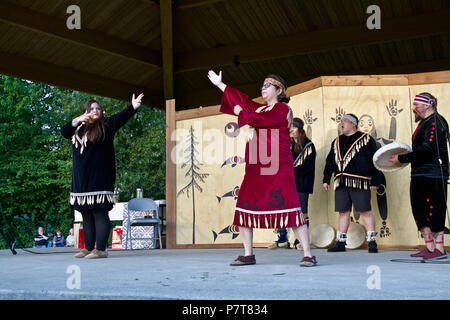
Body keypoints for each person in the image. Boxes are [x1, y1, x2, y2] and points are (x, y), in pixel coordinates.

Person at [207, 70, 317, 267]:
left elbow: (265, 120)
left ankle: (308, 254)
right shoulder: (258, 109)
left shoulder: (283, 109)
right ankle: (248, 254)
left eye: (267, 85)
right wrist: (220, 85)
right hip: (256, 165)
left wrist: (242, 113)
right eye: (262, 85)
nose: (262, 88)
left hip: (277, 166)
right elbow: (241, 99)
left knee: (290, 206)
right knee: (244, 206)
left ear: (279, 90)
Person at [61, 93, 144, 259]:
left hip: (100, 178)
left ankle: (101, 249)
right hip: (81, 179)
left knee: (99, 212)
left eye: (98, 108)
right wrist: (78, 119)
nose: (95, 111)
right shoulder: (77, 128)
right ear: (85, 111)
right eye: (91, 109)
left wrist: (133, 107)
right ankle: (88, 248)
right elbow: (64, 131)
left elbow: (121, 117)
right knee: (85, 214)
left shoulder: (107, 125)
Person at [389, 93, 448, 259]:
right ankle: (429, 248)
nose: (414, 108)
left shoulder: (437, 122)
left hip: (433, 174)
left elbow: (429, 149)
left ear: (428, 105)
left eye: (417, 105)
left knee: (433, 210)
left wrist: (402, 158)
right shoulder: (425, 123)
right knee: (420, 211)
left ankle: (440, 250)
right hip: (420, 173)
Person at [323, 113, 381, 253]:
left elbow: (375, 160)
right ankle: (341, 242)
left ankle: (372, 241)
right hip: (341, 181)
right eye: (341, 121)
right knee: (343, 211)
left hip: (359, 180)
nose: (341, 123)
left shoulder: (365, 139)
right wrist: (326, 179)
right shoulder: (336, 141)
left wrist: (376, 180)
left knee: (365, 210)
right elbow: (330, 161)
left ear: (353, 124)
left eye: (345, 121)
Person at [268, 118, 316, 250]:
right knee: (282, 210)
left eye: (293, 128)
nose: (291, 130)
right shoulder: (287, 144)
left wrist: (289, 172)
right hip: (285, 183)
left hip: (301, 183)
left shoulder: (308, 145)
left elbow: (308, 167)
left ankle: (300, 241)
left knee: (301, 211)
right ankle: (282, 239)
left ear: (300, 129)